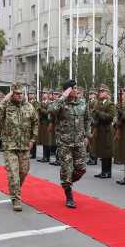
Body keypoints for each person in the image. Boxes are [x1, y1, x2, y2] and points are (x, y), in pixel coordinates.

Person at [0, 83, 38, 212]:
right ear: (12, 94)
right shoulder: (7, 106)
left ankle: (14, 188)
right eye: (16, 93)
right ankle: (16, 198)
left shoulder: (29, 107)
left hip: (24, 146)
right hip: (10, 146)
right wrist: (5, 99)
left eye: (20, 93)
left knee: (23, 171)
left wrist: (33, 139)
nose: (19, 96)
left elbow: (35, 123)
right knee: (13, 173)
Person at [48, 80, 90, 208]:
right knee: (66, 169)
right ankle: (69, 195)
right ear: (67, 91)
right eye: (74, 88)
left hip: (79, 142)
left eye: (76, 88)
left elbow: (87, 119)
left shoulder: (82, 102)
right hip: (64, 143)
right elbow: (51, 110)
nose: (76, 90)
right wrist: (63, 96)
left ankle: (67, 182)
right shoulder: (61, 103)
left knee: (81, 169)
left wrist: (87, 135)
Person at [92, 84, 116, 179]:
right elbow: (94, 114)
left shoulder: (110, 104)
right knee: (101, 150)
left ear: (107, 93)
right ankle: (103, 171)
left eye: (102, 91)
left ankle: (108, 172)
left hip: (106, 129)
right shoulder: (98, 103)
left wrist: (98, 113)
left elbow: (109, 117)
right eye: (100, 91)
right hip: (100, 128)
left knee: (107, 151)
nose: (100, 93)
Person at [37, 89, 51, 163]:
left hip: (47, 124)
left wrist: (41, 110)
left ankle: (47, 157)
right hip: (42, 124)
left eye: (45, 93)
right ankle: (44, 156)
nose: (43, 94)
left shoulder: (49, 103)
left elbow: (48, 112)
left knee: (46, 141)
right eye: (43, 93)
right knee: (43, 140)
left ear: (48, 95)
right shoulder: (41, 103)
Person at [86, 89, 98, 165]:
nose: (90, 95)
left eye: (92, 93)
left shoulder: (96, 102)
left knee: (93, 141)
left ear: (95, 94)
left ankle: (94, 158)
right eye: (90, 93)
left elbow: (94, 112)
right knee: (90, 141)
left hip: (94, 123)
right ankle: (91, 157)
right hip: (89, 123)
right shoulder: (89, 102)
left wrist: (89, 113)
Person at [27, 88, 39, 159]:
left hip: (33, 121)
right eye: (29, 94)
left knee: (33, 137)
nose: (30, 95)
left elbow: (35, 111)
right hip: (28, 122)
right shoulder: (28, 102)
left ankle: (33, 154)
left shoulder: (35, 103)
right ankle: (30, 152)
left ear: (34, 95)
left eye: (31, 94)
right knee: (28, 137)